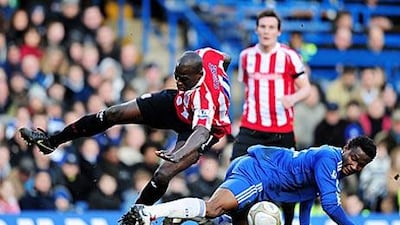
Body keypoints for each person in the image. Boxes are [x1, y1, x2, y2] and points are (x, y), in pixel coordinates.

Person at [19, 47, 232, 206]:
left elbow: (202, 132)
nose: (178, 82)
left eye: (183, 79)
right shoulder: (207, 55)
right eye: (176, 77)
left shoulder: (206, 100)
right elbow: (226, 59)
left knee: (163, 174)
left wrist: (181, 153)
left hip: (200, 130)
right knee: (113, 113)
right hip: (177, 106)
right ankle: (51, 141)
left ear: (197, 75)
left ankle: (136, 213)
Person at [119, 135, 376, 225]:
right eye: (353, 157)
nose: (354, 165)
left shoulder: (332, 172)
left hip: (262, 180)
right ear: (346, 148)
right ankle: (148, 213)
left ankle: (182, 216)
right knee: (212, 208)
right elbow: (331, 207)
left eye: (360, 164)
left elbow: (304, 200)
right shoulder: (329, 159)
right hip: (259, 174)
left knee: (221, 219)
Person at [231, 9, 311, 225]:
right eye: (263, 27)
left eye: (271, 27)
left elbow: (306, 89)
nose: (266, 31)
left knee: (290, 183)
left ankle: (287, 221)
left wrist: (292, 98)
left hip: (281, 130)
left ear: (278, 31)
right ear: (257, 29)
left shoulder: (289, 56)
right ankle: (236, 220)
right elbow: (247, 89)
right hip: (251, 128)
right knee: (235, 173)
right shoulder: (246, 56)